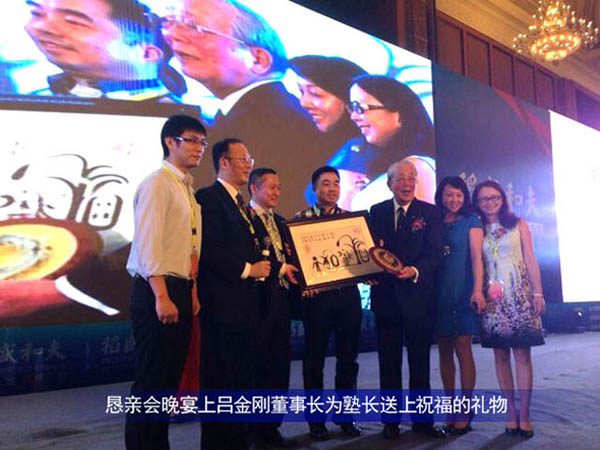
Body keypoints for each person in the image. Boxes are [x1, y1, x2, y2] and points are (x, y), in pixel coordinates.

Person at [160, 0, 322, 216]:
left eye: (195, 27)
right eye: (169, 22)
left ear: (258, 59)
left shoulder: (276, 120)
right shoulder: (255, 111)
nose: (173, 35)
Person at [124, 114, 206, 450]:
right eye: (191, 140)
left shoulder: (185, 187)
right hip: (157, 289)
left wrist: (192, 290)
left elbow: (189, 246)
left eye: (202, 142)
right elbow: (148, 243)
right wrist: (161, 295)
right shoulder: (157, 183)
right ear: (169, 142)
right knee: (151, 380)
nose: (198, 148)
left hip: (180, 288)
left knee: (168, 380)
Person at [194, 138, 271, 450]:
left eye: (250, 158)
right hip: (222, 307)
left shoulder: (240, 202)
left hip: (244, 308)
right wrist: (248, 269)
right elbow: (208, 248)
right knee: (221, 380)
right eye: (243, 159)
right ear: (223, 162)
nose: (248, 164)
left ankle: (238, 441)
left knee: (240, 379)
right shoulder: (208, 198)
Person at [368, 159, 445, 440]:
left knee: (420, 362)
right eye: (400, 178)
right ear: (389, 184)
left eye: (411, 178)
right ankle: (390, 422)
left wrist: (415, 270)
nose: (406, 183)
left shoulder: (430, 213)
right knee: (388, 363)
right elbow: (368, 251)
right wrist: (367, 273)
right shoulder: (376, 212)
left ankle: (423, 422)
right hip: (386, 299)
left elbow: (436, 253)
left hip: (418, 298)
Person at [294, 166, 363, 441]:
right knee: (314, 361)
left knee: (348, 359)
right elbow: (296, 263)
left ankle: (346, 417)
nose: (332, 188)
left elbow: (361, 258)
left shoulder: (351, 221)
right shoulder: (299, 221)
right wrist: (305, 284)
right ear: (314, 189)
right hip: (318, 300)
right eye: (325, 183)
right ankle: (316, 422)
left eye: (336, 183)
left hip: (347, 298)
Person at [472, 180, 546, 438]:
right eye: (484, 199)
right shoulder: (476, 229)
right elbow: (476, 263)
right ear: (477, 203)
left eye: (495, 197)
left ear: (503, 199)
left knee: (523, 354)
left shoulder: (518, 224)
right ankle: (510, 412)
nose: (490, 202)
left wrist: (538, 292)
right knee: (500, 355)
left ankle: (524, 413)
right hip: (492, 300)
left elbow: (530, 259)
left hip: (520, 295)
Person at [24, 0, 185, 99]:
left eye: (73, 22)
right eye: (36, 13)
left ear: (147, 54)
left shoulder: (174, 121)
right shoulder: (36, 99)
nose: (42, 27)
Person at [247, 167, 299, 448]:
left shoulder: (280, 221)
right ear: (254, 188)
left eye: (279, 187)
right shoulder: (245, 218)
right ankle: (256, 429)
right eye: (271, 187)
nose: (277, 192)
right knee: (259, 366)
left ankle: (272, 426)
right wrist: (280, 268)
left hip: (281, 301)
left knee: (280, 365)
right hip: (256, 303)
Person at [335, 74, 436, 210]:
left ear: (399, 116)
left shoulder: (417, 167)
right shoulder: (384, 170)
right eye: (352, 109)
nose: (353, 117)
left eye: (360, 108)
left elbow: (421, 221)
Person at [434, 176, 485, 435]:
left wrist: (477, 289)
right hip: (438, 293)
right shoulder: (434, 220)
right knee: (444, 349)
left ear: (464, 197)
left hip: (464, 289)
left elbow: (477, 258)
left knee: (463, 347)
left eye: (459, 195)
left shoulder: (471, 221)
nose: (454, 200)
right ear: (441, 196)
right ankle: (450, 406)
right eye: (449, 195)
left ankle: (465, 407)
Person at [288, 55, 367, 208]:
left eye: (316, 94)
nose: (304, 103)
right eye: (301, 92)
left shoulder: (365, 155)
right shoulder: (307, 145)